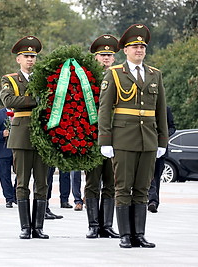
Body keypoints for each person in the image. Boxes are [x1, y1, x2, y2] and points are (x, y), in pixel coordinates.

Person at [98, 24, 168, 248]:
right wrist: (105, 140)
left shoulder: (155, 74)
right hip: (124, 138)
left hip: (148, 138)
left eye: (142, 46)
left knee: (142, 188)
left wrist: (162, 140)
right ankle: (126, 235)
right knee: (123, 187)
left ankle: (139, 233)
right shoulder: (115, 74)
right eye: (134, 46)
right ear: (125, 50)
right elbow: (104, 109)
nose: (139, 50)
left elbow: (161, 110)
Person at [0, 36, 49, 239]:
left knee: (42, 182)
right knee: (22, 182)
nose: (30, 60)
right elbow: (9, 100)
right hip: (21, 134)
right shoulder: (9, 79)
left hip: (42, 135)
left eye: (33, 56)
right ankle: (25, 227)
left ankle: (38, 227)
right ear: (18, 59)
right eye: (26, 56)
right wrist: (36, 100)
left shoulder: (44, 78)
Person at [84, 34, 120, 239]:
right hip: (92, 136)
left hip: (115, 135)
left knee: (111, 181)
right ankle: (93, 224)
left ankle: (107, 225)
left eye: (109, 55)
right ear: (95, 57)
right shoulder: (88, 78)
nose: (106, 58)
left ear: (114, 58)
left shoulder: (119, 76)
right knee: (92, 182)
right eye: (102, 54)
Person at [148, 106, 176, 213]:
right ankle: (151, 200)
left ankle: (154, 202)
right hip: (146, 146)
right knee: (147, 174)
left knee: (156, 175)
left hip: (160, 148)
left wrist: (163, 135)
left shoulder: (165, 109)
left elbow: (172, 128)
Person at [0, 107, 17, 208]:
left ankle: (16, 194)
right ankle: (9, 198)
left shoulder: (21, 112)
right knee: (4, 175)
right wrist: (1, 134)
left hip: (18, 149)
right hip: (3, 150)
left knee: (22, 173)